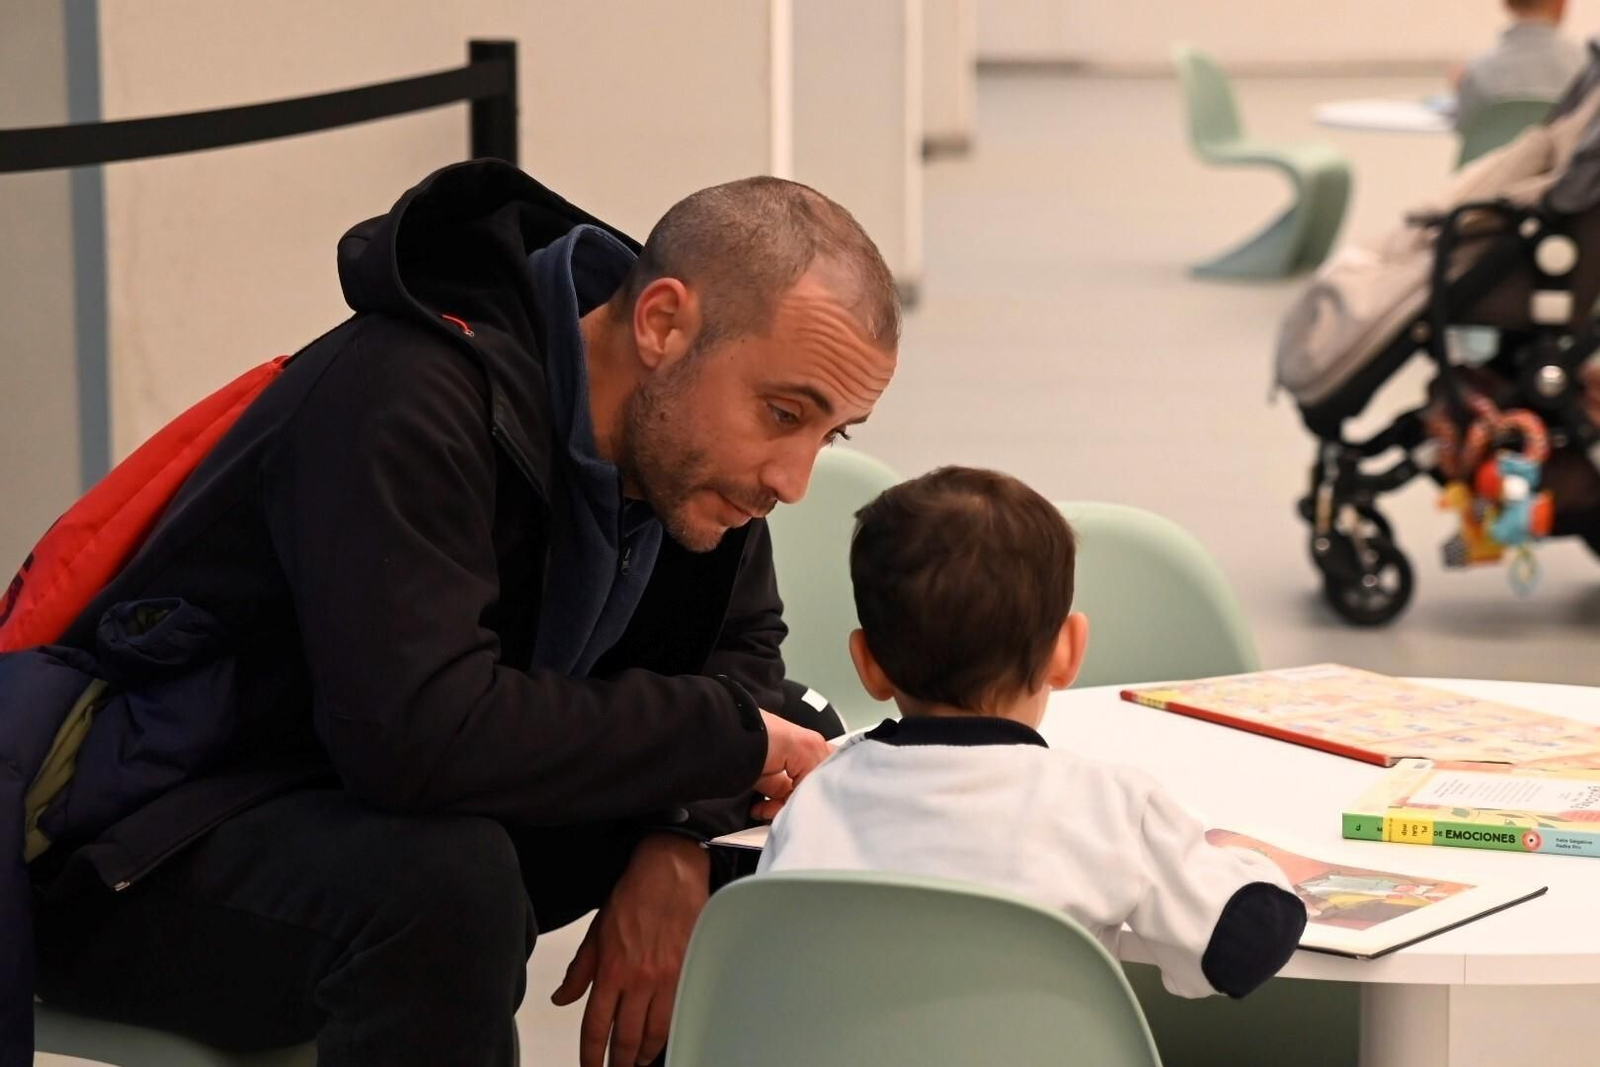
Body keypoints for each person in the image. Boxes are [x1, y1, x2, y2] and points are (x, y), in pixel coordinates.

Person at [23, 159, 899, 1067]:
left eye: (825, 433)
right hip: (137, 852)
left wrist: (676, 840)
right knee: (448, 884)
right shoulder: (405, 395)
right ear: (662, 322)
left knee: (776, 826)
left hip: (380, 802)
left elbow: (746, 664)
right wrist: (718, 744)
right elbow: (415, 736)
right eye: (782, 412)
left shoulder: (692, 460)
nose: (793, 480)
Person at [759, 466, 1306, 999]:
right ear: (1068, 651)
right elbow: (1243, 946)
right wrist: (1263, 865)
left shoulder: (817, 797)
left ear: (868, 663)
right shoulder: (1111, 806)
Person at [1454, 0, 1587, 130]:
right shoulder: (1585, 64)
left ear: (1506, 3)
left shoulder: (1477, 70)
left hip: (1499, 152)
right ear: (1561, 3)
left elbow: (1466, 130)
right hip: (1565, 152)